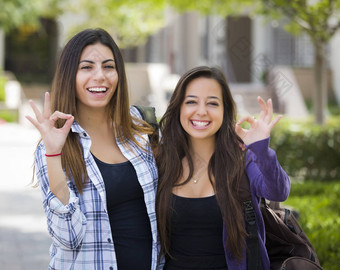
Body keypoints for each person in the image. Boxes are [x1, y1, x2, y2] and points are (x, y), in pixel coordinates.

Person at [26, 28, 160, 270]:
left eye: (108, 66)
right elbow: (67, 237)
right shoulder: (54, 145)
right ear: (70, 75)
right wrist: (54, 153)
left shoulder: (142, 128)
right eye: (86, 67)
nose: (100, 76)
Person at [155, 66, 291, 270]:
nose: (201, 111)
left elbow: (278, 191)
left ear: (225, 110)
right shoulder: (162, 162)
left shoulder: (242, 160)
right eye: (191, 101)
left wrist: (261, 150)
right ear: (178, 108)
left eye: (212, 103)